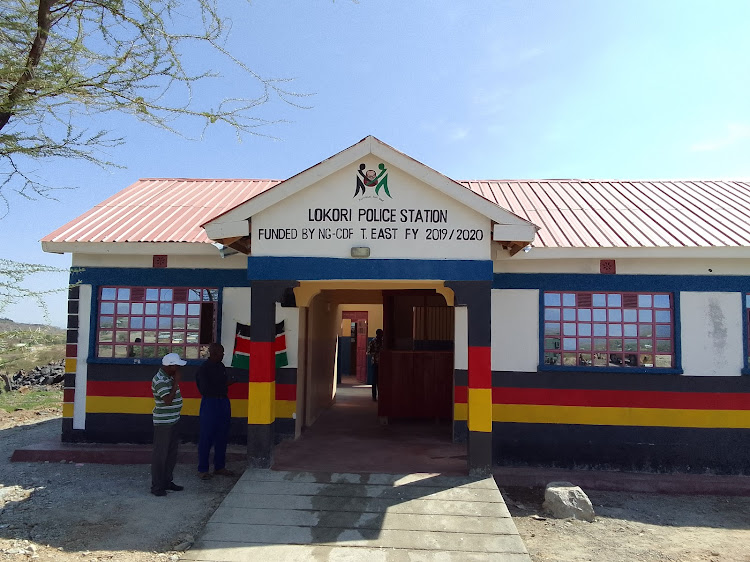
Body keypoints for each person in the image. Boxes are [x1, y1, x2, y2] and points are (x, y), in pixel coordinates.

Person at [195, 343, 235, 479]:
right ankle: (203, 469)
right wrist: (222, 385)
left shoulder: (221, 367)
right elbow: (204, 389)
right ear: (213, 353)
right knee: (206, 436)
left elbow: (222, 382)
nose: (223, 355)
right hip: (210, 403)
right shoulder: (204, 369)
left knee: (222, 435)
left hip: (223, 401)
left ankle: (220, 466)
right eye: (220, 353)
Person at [151, 353, 186, 497]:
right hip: (164, 423)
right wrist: (176, 382)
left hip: (173, 420)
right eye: (176, 366)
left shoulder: (169, 377)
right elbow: (167, 401)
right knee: (161, 455)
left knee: (171, 454)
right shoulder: (159, 380)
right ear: (169, 366)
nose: (178, 369)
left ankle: (167, 481)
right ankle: (157, 486)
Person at [367, 329, 383, 401]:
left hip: (383, 363)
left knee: (381, 381)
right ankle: (374, 396)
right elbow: (368, 352)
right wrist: (376, 353)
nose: (381, 336)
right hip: (375, 362)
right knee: (374, 380)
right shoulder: (373, 342)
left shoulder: (384, 341)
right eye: (380, 334)